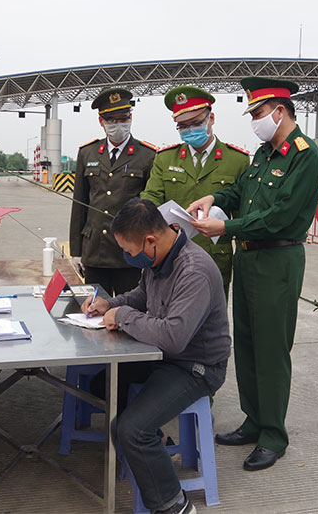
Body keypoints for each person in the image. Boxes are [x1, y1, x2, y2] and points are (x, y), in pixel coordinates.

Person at [187, 77, 318, 472]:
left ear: (280, 111)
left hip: (277, 260)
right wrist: (215, 197)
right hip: (248, 258)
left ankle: (273, 435)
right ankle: (253, 420)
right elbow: (240, 193)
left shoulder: (304, 155)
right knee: (246, 344)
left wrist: (225, 227)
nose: (254, 121)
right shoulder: (264, 154)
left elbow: (280, 216)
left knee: (271, 348)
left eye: (258, 113)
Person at [83, 198, 230, 514]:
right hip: (165, 356)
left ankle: (175, 506)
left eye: (129, 251)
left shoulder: (194, 271)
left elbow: (173, 337)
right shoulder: (157, 259)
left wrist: (123, 317)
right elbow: (142, 296)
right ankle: (155, 445)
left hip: (196, 366)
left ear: (150, 240)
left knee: (131, 429)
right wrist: (110, 304)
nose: (128, 257)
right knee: (101, 384)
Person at [140, 85, 250, 297]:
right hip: (171, 256)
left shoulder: (237, 160)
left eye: (196, 123)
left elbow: (242, 215)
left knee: (212, 315)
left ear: (211, 119)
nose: (190, 130)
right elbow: (151, 198)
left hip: (215, 258)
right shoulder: (165, 158)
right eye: (183, 126)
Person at [69, 88, 156, 296]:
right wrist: (76, 251)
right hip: (94, 252)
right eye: (111, 120)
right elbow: (79, 205)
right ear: (101, 121)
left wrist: (149, 252)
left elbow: (151, 209)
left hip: (130, 254)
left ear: (131, 118)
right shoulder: (87, 153)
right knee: (94, 310)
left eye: (123, 118)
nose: (118, 124)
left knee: (130, 310)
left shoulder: (147, 155)